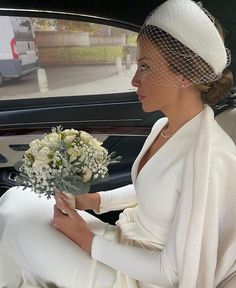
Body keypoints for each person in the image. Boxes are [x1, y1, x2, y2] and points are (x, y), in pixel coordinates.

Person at [0, 0, 236, 287]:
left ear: (183, 75)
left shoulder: (212, 159)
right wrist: (94, 201)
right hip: (121, 244)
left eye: (146, 67)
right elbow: (149, 188)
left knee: (17, 228)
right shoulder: (164, 126)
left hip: (139, 277)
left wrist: (86, 240)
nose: (135, 80)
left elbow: (172, 274)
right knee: (18, 202)